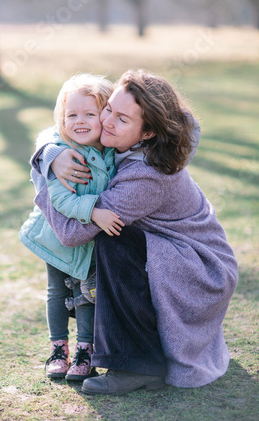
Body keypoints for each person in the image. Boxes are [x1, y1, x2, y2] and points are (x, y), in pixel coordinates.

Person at [31, 69, 238, 395]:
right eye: (108, 108)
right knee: (114, 235)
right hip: (174, 249)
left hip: (201, 267)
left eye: (122, 119)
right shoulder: (124, 138)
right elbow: (63, 125)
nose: (107, 121)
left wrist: (43, 177)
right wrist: (51, 152)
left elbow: (71, 234)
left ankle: (135, 366)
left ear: (146, 133)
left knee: (113, 239)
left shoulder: (146, 173)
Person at [19, 73, 124, 382]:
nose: (80, 121)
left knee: (87, 293)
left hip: (90, 242)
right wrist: (96, 213)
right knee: (56, 291)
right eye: (72, 115)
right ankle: (58, 349)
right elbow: (62, 200)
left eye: (89, 114)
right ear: (61, 119)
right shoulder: (65, 154)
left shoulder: (111, 150)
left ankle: (85, 351)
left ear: (104, 115)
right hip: (55, 237)